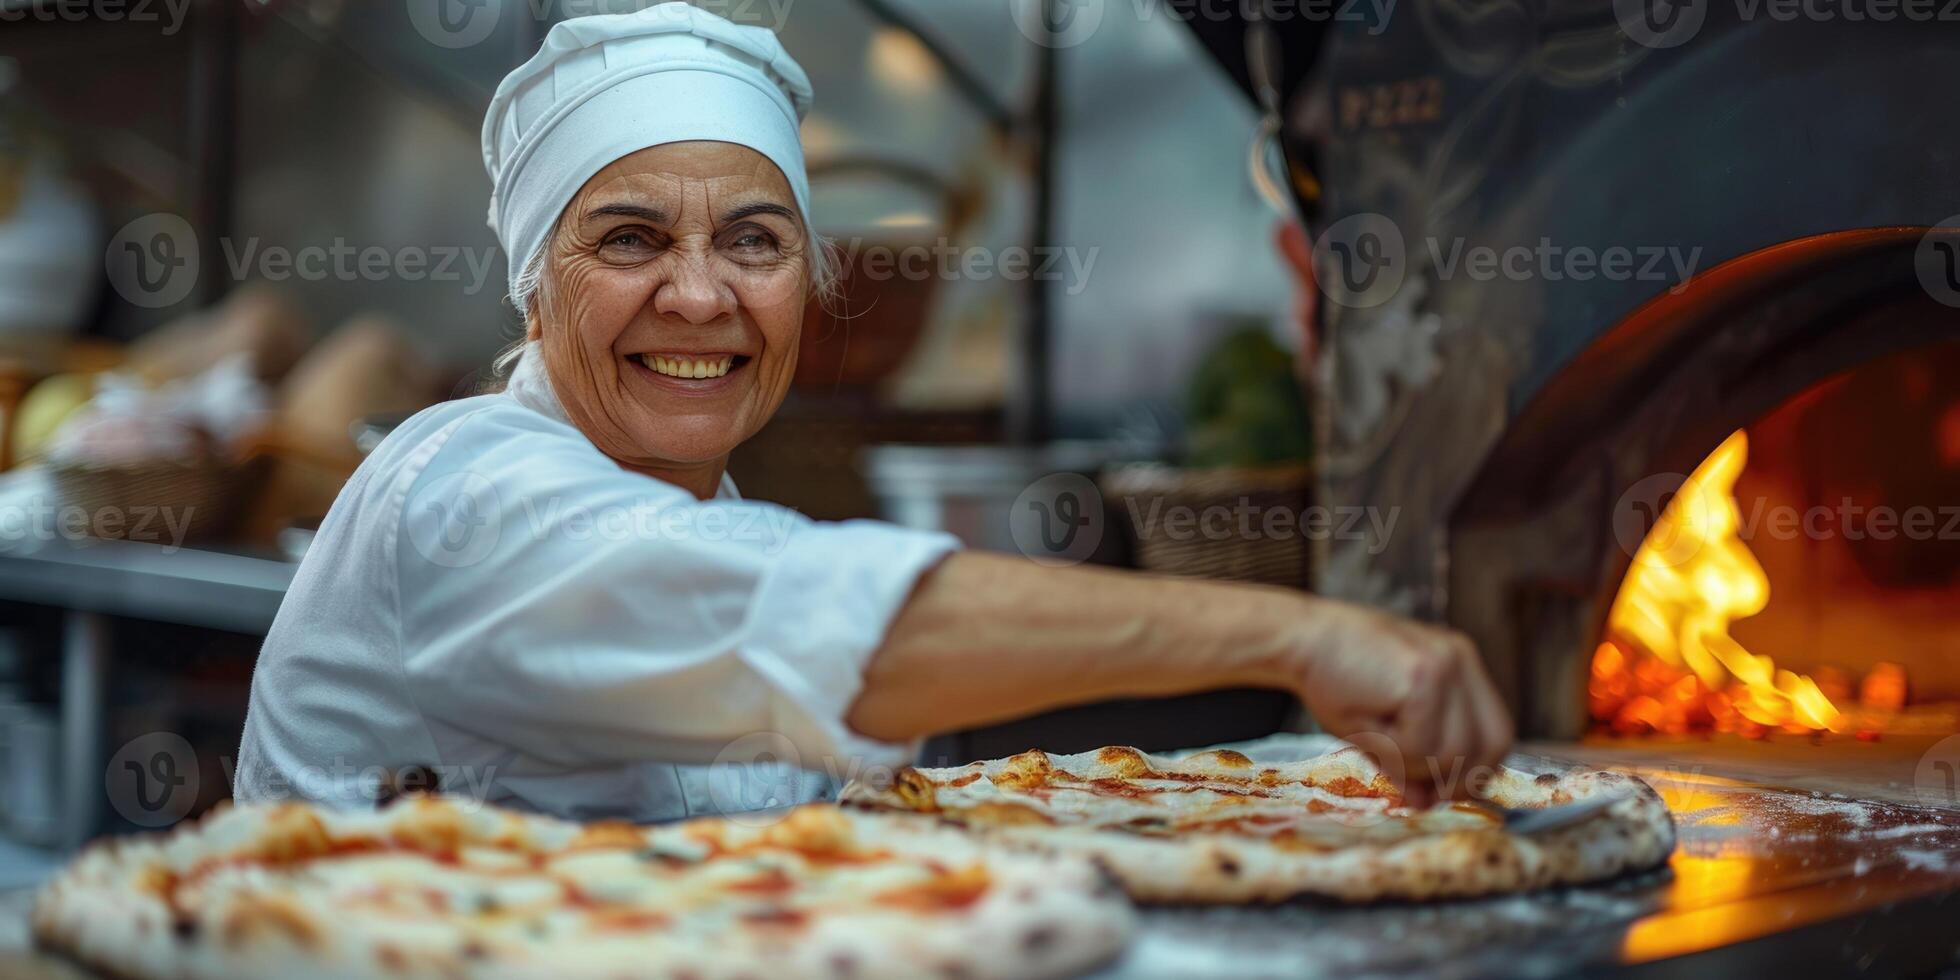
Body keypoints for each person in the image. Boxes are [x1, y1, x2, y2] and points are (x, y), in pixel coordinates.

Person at [234, 3, 1508, 822]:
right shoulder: (457, 489)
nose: (699, 294)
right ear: (533, 286)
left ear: (810, 280)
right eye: (628, 239)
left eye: (754, 240)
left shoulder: (718, 514)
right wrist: (1301, 639)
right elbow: (833, 625)